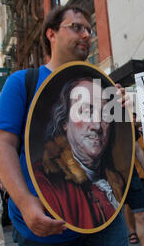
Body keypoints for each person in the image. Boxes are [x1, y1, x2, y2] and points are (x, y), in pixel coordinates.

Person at [0, 4, 129, 246]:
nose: (87, 35)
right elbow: (3, 146)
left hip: (107, 223)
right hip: (46, 230)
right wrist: (24, 202)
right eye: (77, 27)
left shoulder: (104, 87)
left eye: (89, 29)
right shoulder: (22, 82)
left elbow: (126, 149)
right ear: (51, 34)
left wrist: (122, 113)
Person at [32, 77, 126, 229]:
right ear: (64, 123)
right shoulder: (49, 181)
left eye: (105, 114)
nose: (97, 125)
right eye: (85, 111)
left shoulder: (117, 181)